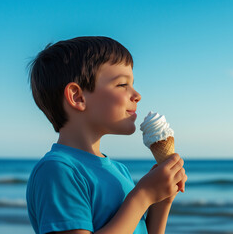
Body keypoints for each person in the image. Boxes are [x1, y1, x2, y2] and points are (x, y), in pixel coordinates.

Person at [26, 36, 187, 234]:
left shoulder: (120, 171)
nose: (137, 95)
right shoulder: (57, 169)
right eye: (122, 85)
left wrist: (161, 201)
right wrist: (143, 196)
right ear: (77, 97)